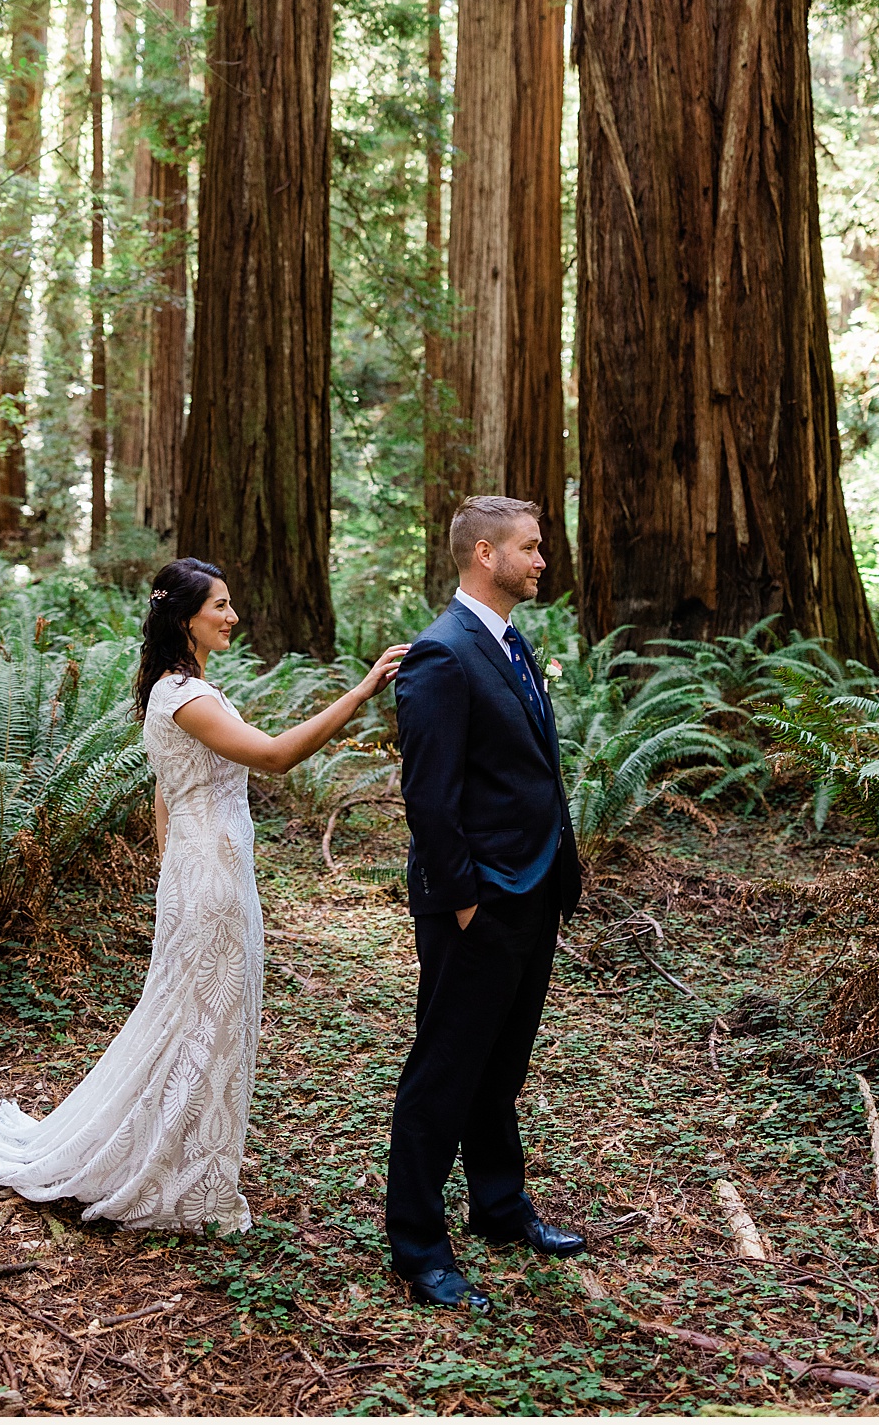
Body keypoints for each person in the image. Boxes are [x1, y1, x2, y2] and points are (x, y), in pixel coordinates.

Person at [0, 559, 408, 1232]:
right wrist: (363, 690)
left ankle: (190, 1150)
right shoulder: (186, 695)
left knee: (197, 1020)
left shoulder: (181, 688)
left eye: (231, 603)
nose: (233, 616)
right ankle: (177, 1165)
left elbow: (164, 794)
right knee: (202, 1025)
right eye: (221, 605)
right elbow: (274, 756)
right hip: (211, 878)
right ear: (185, 618)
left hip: (206, 872)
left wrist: (174, 870)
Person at [383, 495, 587, 1312]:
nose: (542, 560)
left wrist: (554, 869)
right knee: (445, 1071)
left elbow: (529, 767)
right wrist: (466, 902)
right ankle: (418, 1245)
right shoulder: (441, 654)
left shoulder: (508, 639)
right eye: (530, 549)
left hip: (533, 888)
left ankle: (500, 1206)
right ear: (483, 554)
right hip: (477, 902)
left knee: (502, 1065)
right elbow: (429, 797)